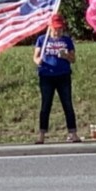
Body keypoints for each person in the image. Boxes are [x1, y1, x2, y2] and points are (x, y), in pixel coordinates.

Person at [33, 14, 80, 144]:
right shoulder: (42, 40)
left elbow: (73, 59)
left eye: (60, 28)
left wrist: (66, 56)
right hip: (47, 76)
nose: (58, 31)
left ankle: (73, 133)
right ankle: (41, 134)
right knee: (45, 105)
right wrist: (39, 61)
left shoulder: (67, 40)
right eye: (55, 28)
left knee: (67, 104)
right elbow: (35, 57)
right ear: (50, 28)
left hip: (63, 75)